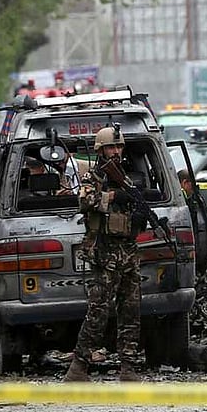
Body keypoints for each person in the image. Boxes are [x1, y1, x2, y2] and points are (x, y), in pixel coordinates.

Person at [64, 127, 145, 382]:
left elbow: (137, 205)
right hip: (104, 252)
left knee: (131, 310)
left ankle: (128, 367)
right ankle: (78, 367)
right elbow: (85, 201)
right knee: (98, 312)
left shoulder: (129, 178)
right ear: (100, 150)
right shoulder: (94, 177)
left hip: (128, 252)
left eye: (119, 147)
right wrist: (113, 196)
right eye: (111, 147)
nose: (117, 151)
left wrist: (139, 213)